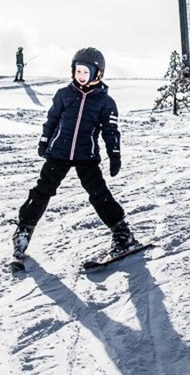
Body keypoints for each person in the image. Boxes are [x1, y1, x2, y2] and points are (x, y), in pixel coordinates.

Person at [11, 46, 142, 268]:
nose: (80, 76)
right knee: (42, 191)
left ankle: (122, 233)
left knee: (99, 194)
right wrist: (44, 141)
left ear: (97, 74)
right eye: (78, 71)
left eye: (86, 72)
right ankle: (23, 230)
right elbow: (51, 120)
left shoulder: (104, 102)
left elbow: (111, 131)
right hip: (59, 153)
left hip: (86, 156)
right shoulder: (64, 94)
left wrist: (114, 154)